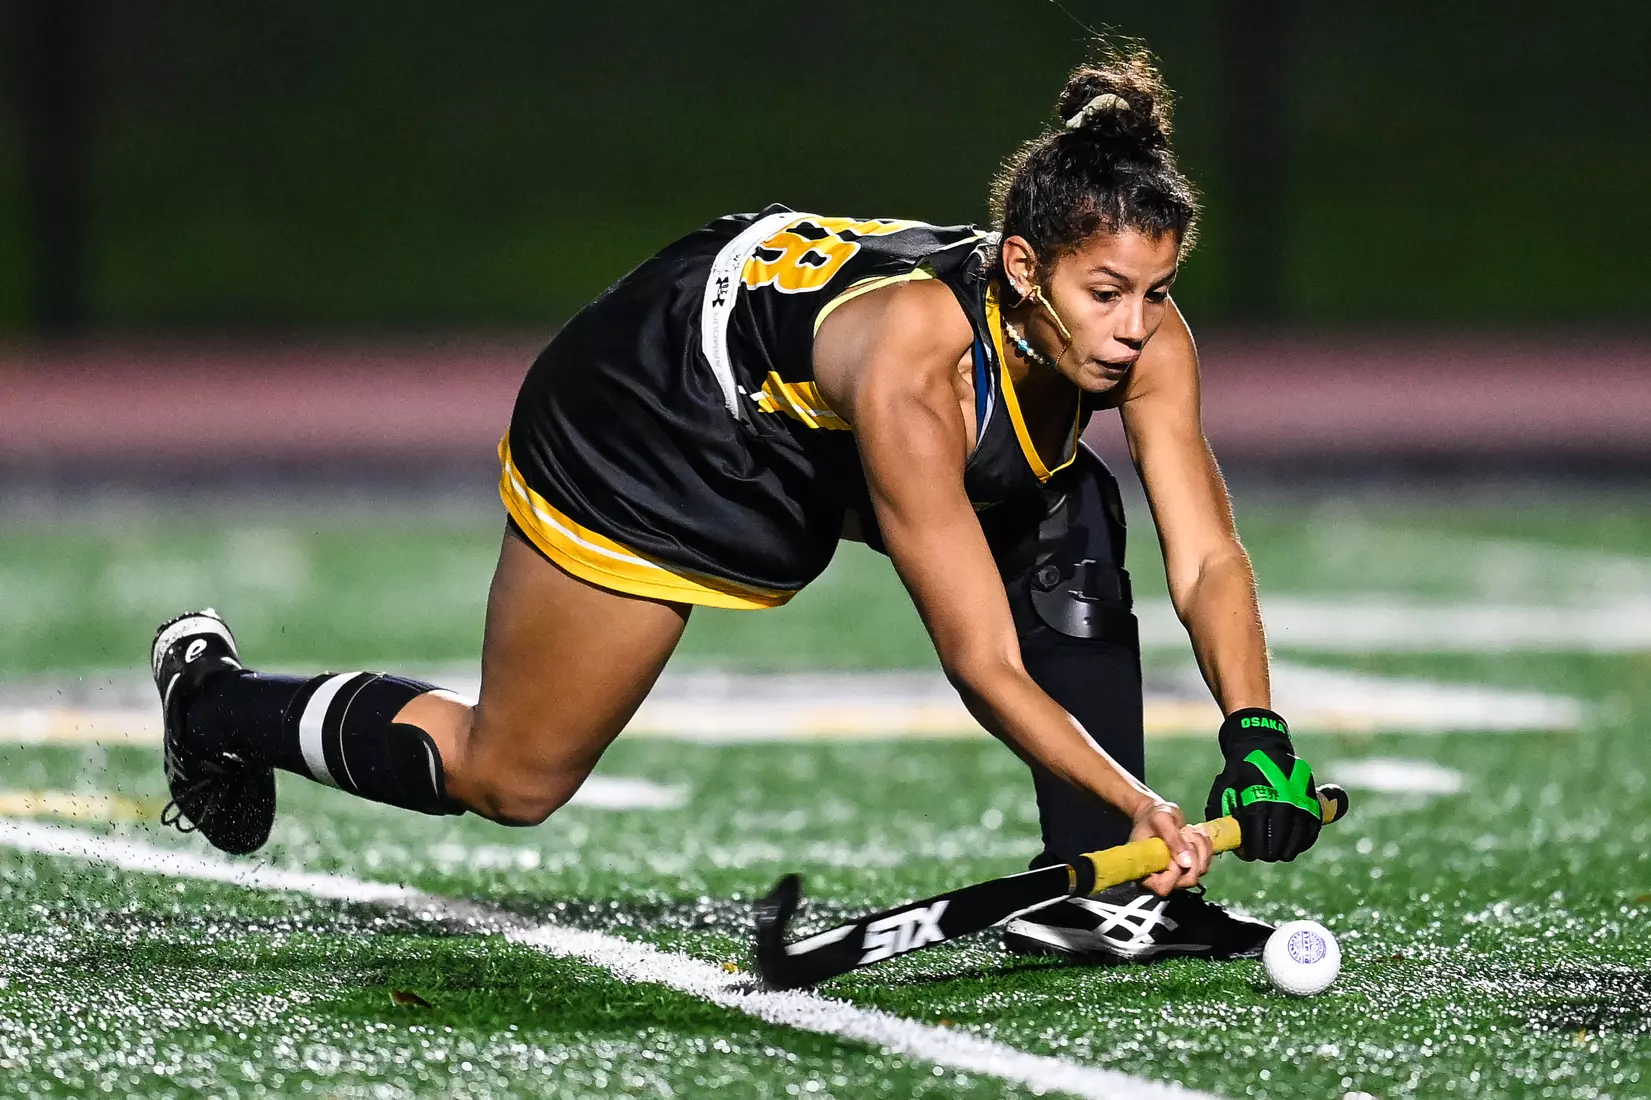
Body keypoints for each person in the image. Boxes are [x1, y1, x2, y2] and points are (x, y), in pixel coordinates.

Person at [152, 46, 1322, 964]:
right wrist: (1144, 808)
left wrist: (1255, 735)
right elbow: (976, 653)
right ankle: (211, 702)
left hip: (804, 414)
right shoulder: (916, 367)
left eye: (1156, 291)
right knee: (509, 775)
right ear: (1023, 270)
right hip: (657, 414)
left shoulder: (1141, 342)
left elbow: (1209, 556)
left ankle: (1094, 900)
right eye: (1105, 291)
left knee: (1069, 510)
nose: (1133, 325)